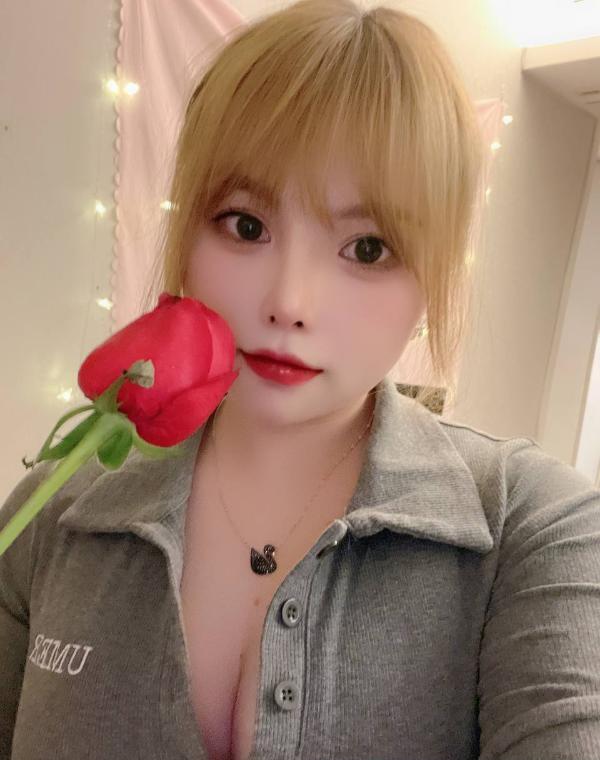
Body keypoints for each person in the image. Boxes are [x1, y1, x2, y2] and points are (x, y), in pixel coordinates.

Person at [2, 1, 599, 759]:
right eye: (246, 225)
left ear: (433, 278)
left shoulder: (533, 528)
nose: (289, 302)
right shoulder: (56, 510)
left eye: (368, 248)